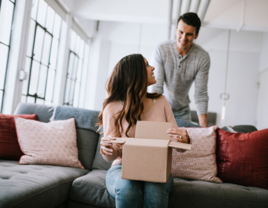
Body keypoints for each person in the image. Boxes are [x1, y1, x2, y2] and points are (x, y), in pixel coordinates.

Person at [97, 54, 190, 208]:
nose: (153, 68)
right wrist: (107, 150)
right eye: (147, 65)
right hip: (122, 167)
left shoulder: (161, 101)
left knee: (155, 188)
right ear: (135, 73)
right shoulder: (112, 108)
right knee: (128, 187)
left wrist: (184, 140)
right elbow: (112, 155)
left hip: (157, 167)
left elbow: (178, 146)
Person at [151, 12, 210, 127]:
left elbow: (200, 94)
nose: (183, 38)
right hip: (161, 108)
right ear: (176, 30)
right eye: (181, 32)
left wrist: (205, 131)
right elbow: (156, 88)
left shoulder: (202, 57)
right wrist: (152, 117)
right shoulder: (161, 50)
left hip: (183, 111)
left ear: (196, 35)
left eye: (189, 34)